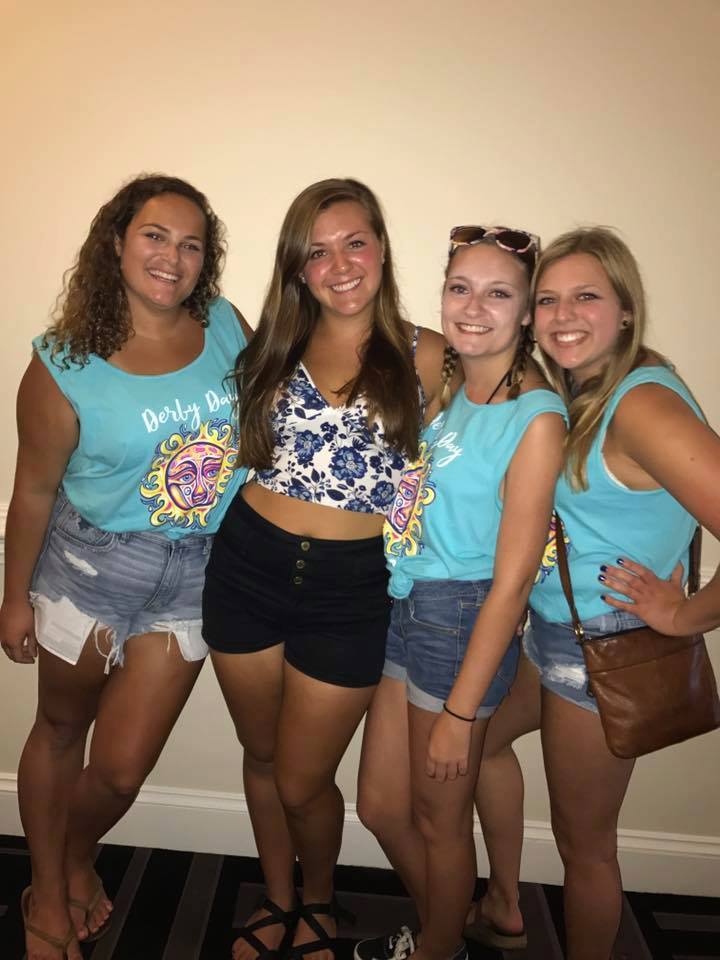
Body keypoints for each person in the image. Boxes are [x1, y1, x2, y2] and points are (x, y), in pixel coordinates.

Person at [0, 174, 251, 960]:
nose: (172, 257)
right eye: (154, 235)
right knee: (60, 730)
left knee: (120, 770)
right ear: (116, 242)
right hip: (90, 570)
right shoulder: (62, 364)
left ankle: (74, 856)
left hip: (197, 572)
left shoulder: (223, 326)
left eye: (191, 244)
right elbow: (32, 491)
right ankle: (47, 892)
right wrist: (13, 598)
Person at [202, 178, 450, 960]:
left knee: (304, 779)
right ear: (297, 268)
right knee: (262, 756)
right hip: (246, 567)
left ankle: (318, 901)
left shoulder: (430, 355)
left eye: (354, 243)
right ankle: (277, 898)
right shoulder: (270, 344)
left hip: (351, 589)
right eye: (317, 252)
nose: (339, 265)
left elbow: (510, 428)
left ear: (382, 247)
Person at [468, 227, 720, 960]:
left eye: (586, 297)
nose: (563, 316)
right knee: (480, 740)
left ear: (625, 309)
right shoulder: (585, 390)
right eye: (547, 300)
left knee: (585, 846)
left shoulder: (640, 405)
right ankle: (506, 905)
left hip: (604, 652)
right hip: (553, 635)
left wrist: (683, 613)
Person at [354, 226, 567, 960]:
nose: (473, 307)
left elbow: (512, 582)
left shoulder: (534, 418)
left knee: (439, 820)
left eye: (498, 293)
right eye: (459, 288)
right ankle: (451, 921)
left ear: (528, 313)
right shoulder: (452, 383)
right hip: (409, 601)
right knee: (380, 805)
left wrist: (458, 712)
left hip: (462, 618)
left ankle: (439, 946)